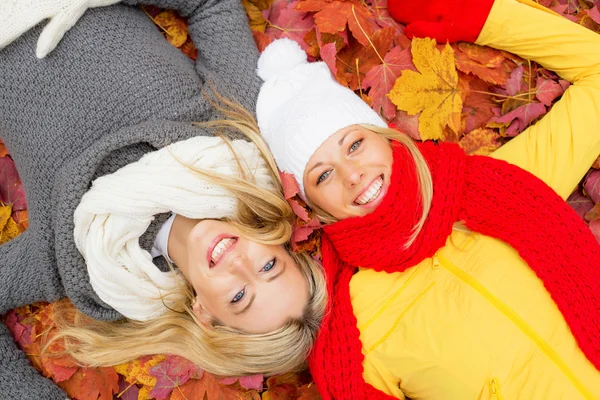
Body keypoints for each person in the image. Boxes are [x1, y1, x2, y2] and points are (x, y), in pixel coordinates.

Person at [253, 0, 600, 397]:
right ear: (313, 206)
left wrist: (485, 18)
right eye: (324, 175)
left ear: (386, 137)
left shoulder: (505, 183)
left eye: (355, 145)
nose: (352, 176)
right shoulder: (356, 334)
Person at [0, 1, 325, 398]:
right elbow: (212, 6)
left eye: (239, 297)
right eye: (269, 265)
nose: (240, 264)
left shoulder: (84, 264)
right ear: (277, 242)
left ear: (206, 315)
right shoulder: (233, 134)